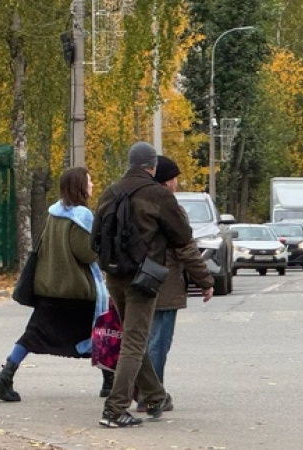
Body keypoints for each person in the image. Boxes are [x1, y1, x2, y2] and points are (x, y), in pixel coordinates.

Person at [91, 142, 212, 428]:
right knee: (134, 341)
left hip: (115, 276)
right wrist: (204, 279)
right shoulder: (158, 195)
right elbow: (183, 243)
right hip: (144, 278)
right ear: (152, 166)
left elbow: (95, 238)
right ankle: (114, 409)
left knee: (134, 336)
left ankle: (155, 396)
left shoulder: (111, 191)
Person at [0, 167, 109, 402]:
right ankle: (110, 383)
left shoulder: (54, 214)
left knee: (33, 335)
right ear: (79, 187)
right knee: (98, 334)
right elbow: (86, 253)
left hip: (50, 289)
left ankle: (6, 373)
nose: (92, 185)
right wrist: (101, 243)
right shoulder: (81, 216)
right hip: (75, 293)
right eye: (89, 181)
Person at [133, 155, 214, 412]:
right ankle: (152, 395)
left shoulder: (135, 202)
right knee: (158, 342)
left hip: (136, 278)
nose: (177, 182)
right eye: (175, 177)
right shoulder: (169, 207)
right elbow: (186, 247)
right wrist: (205, 280)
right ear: (167, 181)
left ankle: (141, 391)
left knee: (140, 340)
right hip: (164, 281)